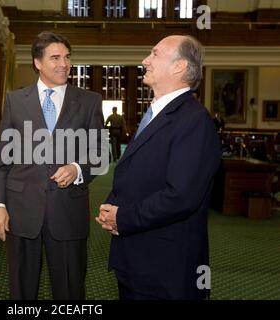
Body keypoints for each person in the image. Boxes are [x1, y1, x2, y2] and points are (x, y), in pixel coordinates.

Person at [96, 35, 222, 300]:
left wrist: (124, 218)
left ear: (179, 67)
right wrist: (112, 207)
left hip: (166, 270)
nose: (145, 60)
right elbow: (139, 173)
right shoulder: (158, 113)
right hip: (137, 262)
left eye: (154, 54)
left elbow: (181, 196)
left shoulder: (194, 121)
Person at [0, 31, 105, 300]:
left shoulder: (89, 101)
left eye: (67, 57)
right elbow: (2, 160)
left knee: (70, 289)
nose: (64, 64)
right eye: (55, 58)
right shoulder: (15, 101)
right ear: (37, 62)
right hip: (20, 211)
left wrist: (77, 169)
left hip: (68, 210)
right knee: (22, 289)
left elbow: (99, 154)